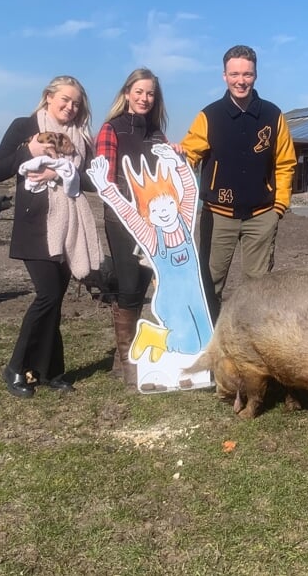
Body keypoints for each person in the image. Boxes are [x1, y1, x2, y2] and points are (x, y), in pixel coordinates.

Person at [92, 68, 209, 385]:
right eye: (139, 92)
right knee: (130, 288)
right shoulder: (111, 129)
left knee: (146, 284)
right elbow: (106, 172)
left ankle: (139, 355)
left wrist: (178, 157)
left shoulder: (157, 134)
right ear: (127, 93)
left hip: (157, 225)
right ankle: (128, 364)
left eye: (151, 93)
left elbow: (167, 181)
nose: (145, 98)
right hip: (124, 222)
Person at [0, 75, 100, 398]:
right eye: (65, 99)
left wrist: (62, 172)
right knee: (48, 294)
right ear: (48, 97)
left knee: (55, 300)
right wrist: (29, 150)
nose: (71, 107)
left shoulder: (82, 137)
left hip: (70, 226)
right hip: (36, 224)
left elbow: (91, 180)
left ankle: (50, 371)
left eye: (76, 103)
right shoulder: (24, 126)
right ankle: (15, 367)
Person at [181, 44, 296, 318]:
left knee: (258, 288)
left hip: (261, 216)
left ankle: (253, 346)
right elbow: (187, 158)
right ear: (224, 76)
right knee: (209, 283)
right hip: (218, 215)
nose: (240, 81)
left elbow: (285, 163)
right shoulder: (209, 116)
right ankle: (209, 346)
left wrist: (278, 207)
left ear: (255, 75)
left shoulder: (272, 115)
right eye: (234, 74)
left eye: (247, 74)